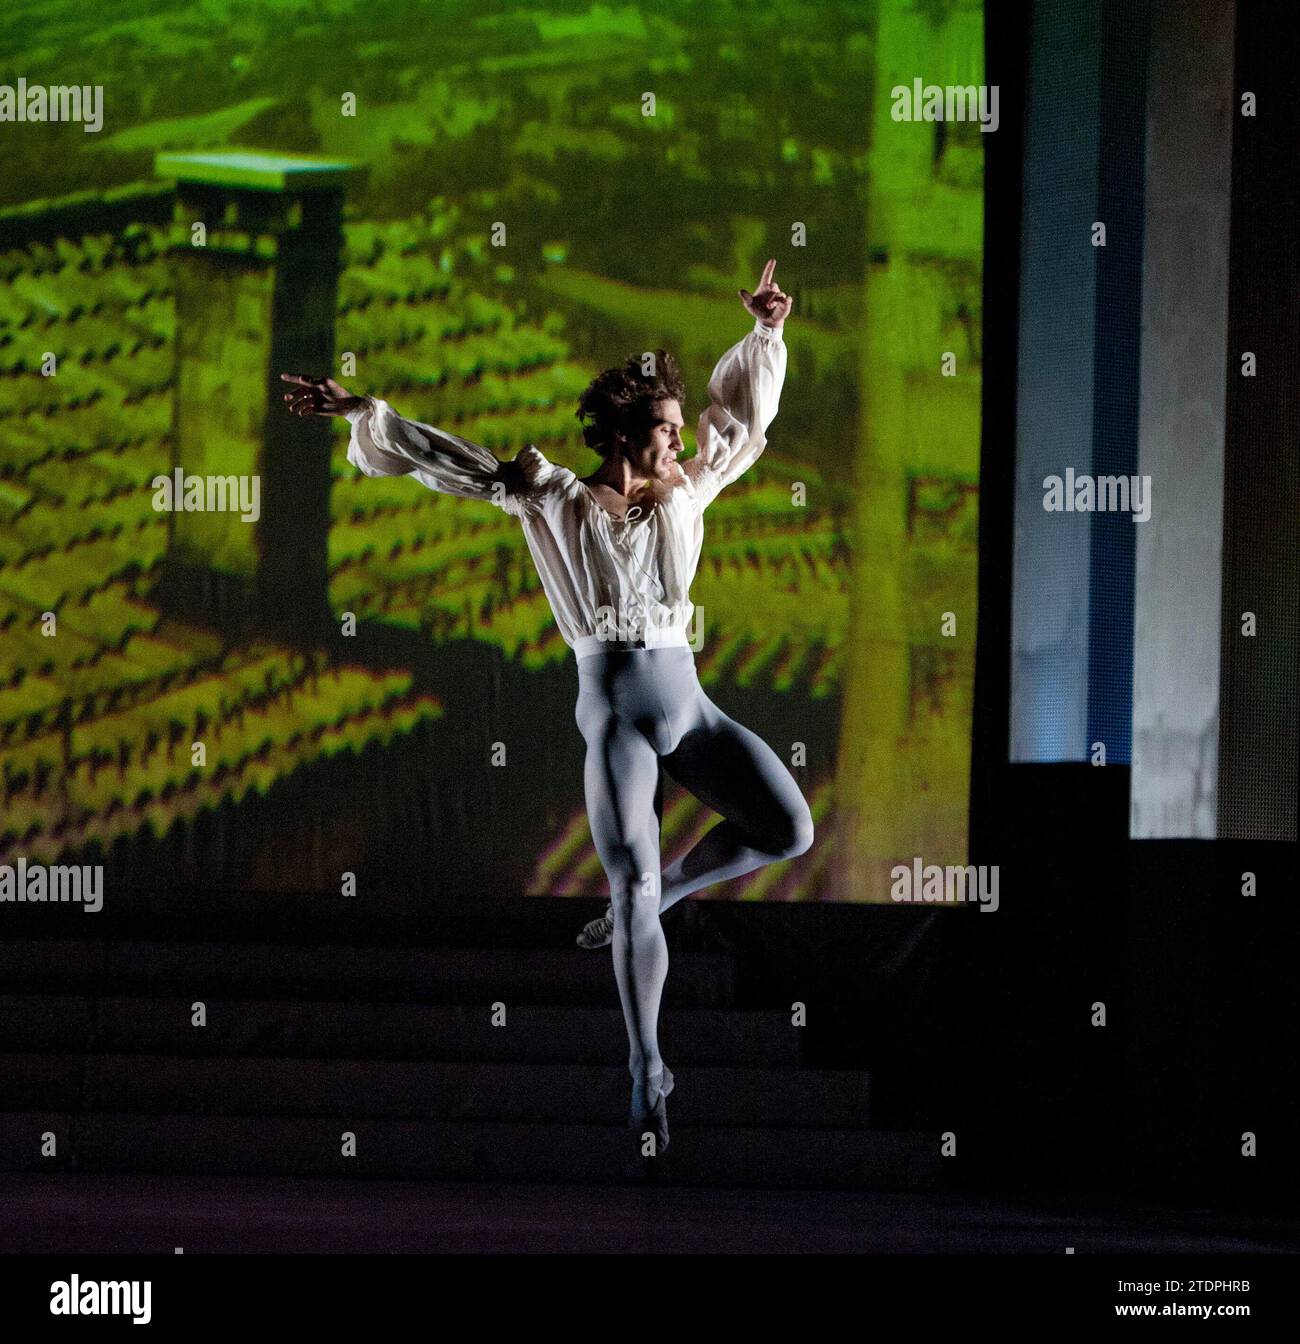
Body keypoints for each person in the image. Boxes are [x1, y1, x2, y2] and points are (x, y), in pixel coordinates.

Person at [281, 260, 814, 1151]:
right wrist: (363, 412)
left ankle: (670, 891)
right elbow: (449, 461)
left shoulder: (689, 493)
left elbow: (741, 417)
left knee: (788, 830)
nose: (680, 444)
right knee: (629, 882)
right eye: (664, 431)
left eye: (679, 429)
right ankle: (647, 1070)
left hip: (690, 703)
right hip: (615, 716)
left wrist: (765, 334)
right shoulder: (555, 497)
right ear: (622, 434)